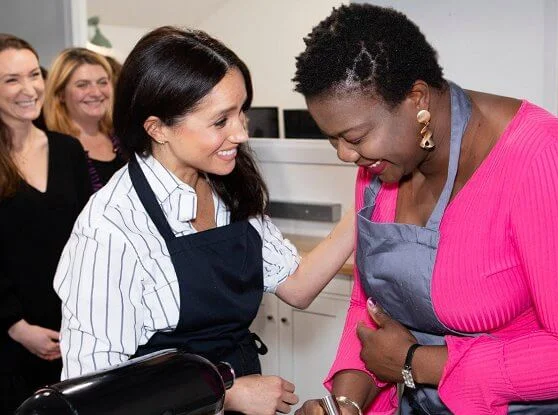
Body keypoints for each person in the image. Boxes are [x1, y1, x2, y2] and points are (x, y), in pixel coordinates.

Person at [292, 4, 558, 415]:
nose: (347, 155)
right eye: (333, 140)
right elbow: (369, 307)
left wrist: (419, 362)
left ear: (416, 98)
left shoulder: (547, 158)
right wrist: (346, 402)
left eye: (354, 136)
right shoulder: (382, 163)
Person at [54, 26, 354, 415]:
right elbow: (92, 395)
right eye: (220, 121)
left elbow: (296, 286)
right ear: (157, 128)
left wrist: (369, 203)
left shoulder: (226, 184)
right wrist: (227, 394)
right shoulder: (110, 228)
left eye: (241, 111)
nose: (241, 133)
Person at [0, 34, 92, 413]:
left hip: (71, 333)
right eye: (11, 80)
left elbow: (89, 238)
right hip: (9, 341)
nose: (29, 89)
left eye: (34, 74)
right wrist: (16, 326)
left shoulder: (68, 149)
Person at [44, 48, 126, 192]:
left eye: (102, 82)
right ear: (61, 93)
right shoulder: (51, 150)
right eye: (82, 85)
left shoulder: (123, 139)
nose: (96, 92)